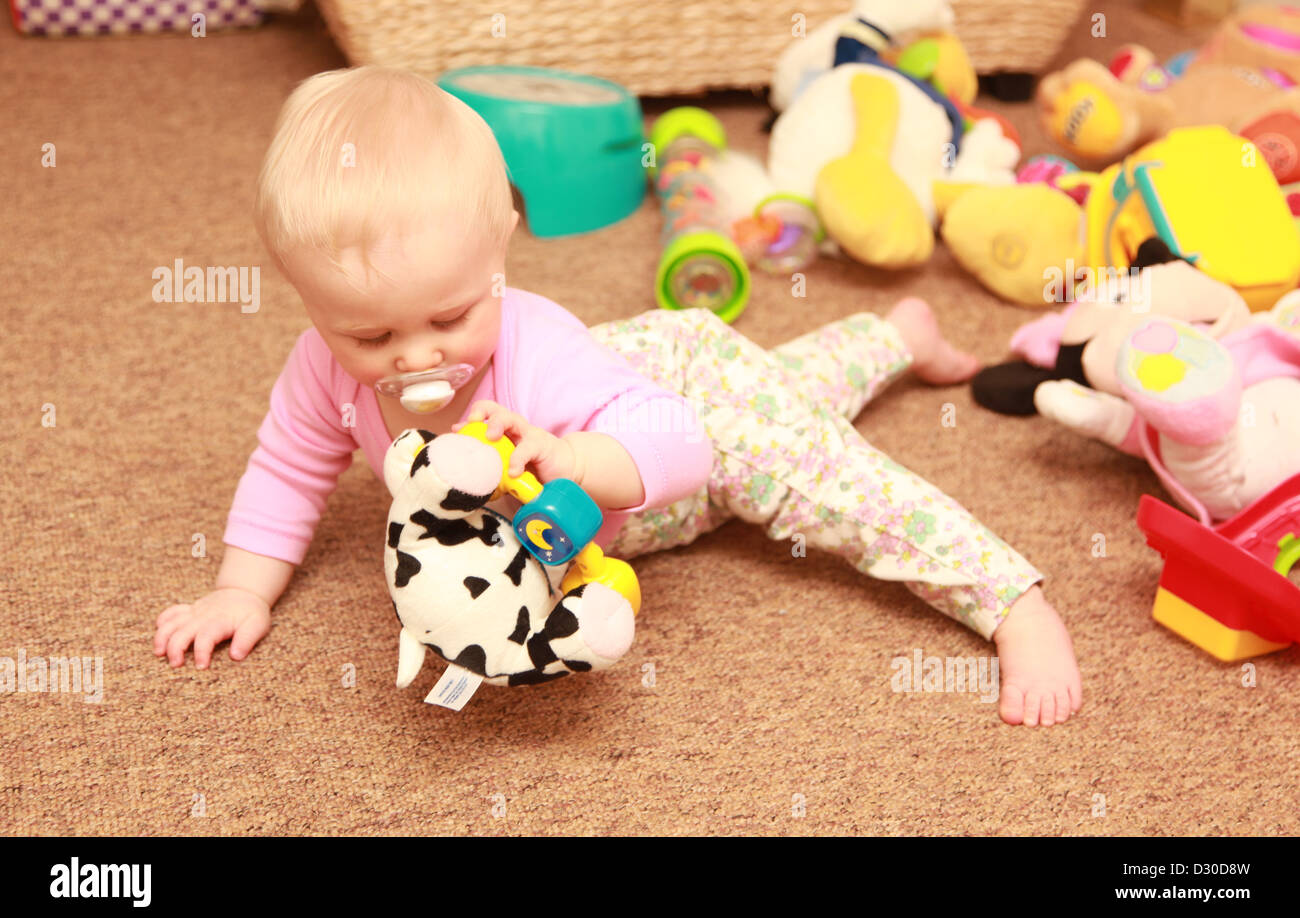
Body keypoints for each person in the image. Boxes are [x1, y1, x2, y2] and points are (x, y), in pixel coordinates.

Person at [155, 66, 1082, 726]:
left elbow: (686, 446)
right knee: (789, 395)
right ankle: (897, 336)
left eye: (447, 316)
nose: (415, 356)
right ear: (312, 307)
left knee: (819, 477)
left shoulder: (540, 343)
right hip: (657, 432)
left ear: (499, 259)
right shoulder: (320, 365)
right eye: (368, 334)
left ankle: (1008, 599)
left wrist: (576, 461)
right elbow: (286, 468)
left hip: (680, 404)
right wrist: (242, 589)